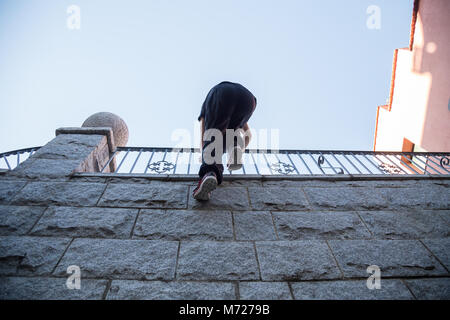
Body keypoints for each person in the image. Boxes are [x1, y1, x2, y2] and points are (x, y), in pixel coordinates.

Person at [193, 81, 257, 201]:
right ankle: (234, 148)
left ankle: (210, 173)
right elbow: (248, 135)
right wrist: (239, 152)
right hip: (249, 99)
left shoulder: (209, 105)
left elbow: (205, 132)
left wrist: (204, 154)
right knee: (232, 132)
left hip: (222, 92)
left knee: (213, 136)